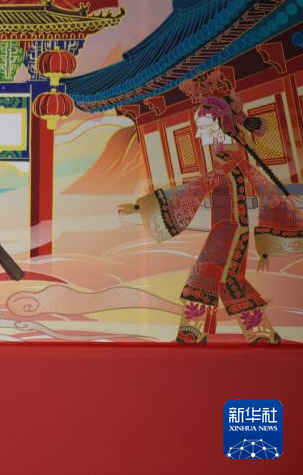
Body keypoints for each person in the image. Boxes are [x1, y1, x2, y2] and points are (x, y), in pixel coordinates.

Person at [118, 71, 302, 344]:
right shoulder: (226, 155)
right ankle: (258, 333)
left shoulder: (228, 156)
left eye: (203, 125)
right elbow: (246, 181)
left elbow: (206, 184)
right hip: (226, 226)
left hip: (231, 227)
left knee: (207, 272)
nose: (199, 131)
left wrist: (145, 205)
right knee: (228, 279)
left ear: (218, 124)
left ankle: (194, 332)